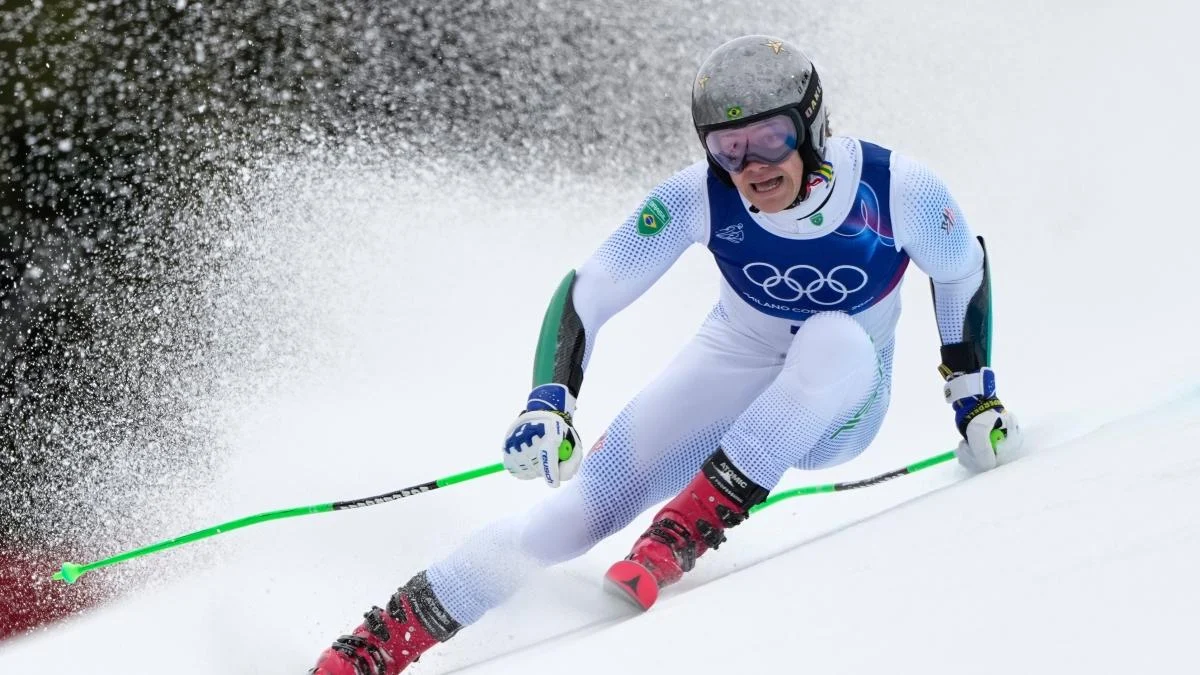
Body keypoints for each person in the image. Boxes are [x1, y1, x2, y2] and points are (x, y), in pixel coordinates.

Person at [309, 34, 1020, 675]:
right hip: (736, 364)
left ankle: (678, 533)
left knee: (834, 337)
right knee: (570, 515)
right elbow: (592, 286)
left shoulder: (897, 188)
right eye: (728, 148)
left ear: (813, 126)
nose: (752, 166)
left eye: (771, 139)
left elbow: (960, 267)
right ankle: (379, 644)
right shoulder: (699, 196)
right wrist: (550, 400)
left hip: (842, 402)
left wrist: (973, 396)